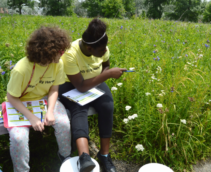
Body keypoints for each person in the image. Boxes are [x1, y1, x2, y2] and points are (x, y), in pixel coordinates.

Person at [59, 18, 126, 172]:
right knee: (79, 108)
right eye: (101, 50)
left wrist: (104, 74)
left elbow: (106, 65)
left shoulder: (102, 48)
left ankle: (104, 155)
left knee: (107, 105)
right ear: (89, 49)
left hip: (93, 83)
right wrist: (107, 75)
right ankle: (84, 158)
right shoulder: (70, 53)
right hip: (70, 85)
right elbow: (80, 86)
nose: (105, 51)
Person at [7, 26, 72, 172]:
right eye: (60, 51)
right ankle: (21, 170)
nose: (63, 54)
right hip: (20, 103)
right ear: (47, 52)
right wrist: (31, 117)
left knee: (63, 123)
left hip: (43, 100)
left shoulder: (58, 64)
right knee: (18, 138)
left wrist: (50, 111)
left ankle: (65, 156)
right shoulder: (21, 69)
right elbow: (11, 97)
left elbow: (54, 89)